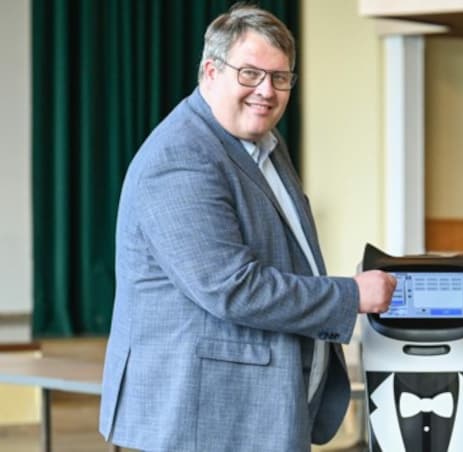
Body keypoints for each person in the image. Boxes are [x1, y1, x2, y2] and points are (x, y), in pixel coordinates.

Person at [99, 4, 396, 451]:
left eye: (281, 78)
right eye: (251, 74)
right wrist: (351, 295)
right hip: (198, 420)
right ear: (210, 71)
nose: (267, 91)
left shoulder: (262, 144)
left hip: (249, 413)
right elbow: (233, 288)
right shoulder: (181, 157)